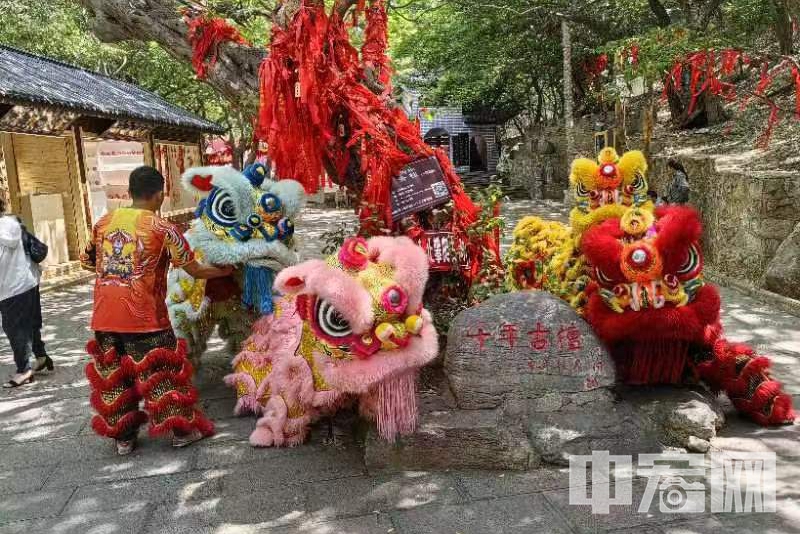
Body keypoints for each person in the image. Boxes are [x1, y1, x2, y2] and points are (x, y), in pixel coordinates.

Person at [81, 166, 232, 455]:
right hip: (145, 317)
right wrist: (225, 270)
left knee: (116, 378)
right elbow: (195, 270)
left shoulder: (103, 223)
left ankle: (123, 439)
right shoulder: (164, 229)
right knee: (162, 374)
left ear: (129, 192)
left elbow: (86, 262)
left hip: (104, 317)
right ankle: (180, 432)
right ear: (160, 194)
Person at [0, 196, 51, 388]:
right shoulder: (10, 223)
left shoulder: (7, 225)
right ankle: (41, 356)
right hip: (23, 282)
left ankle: (24, 370)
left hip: (13, 287)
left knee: (15, 329)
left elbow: (5, 254)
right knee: (29, 323)